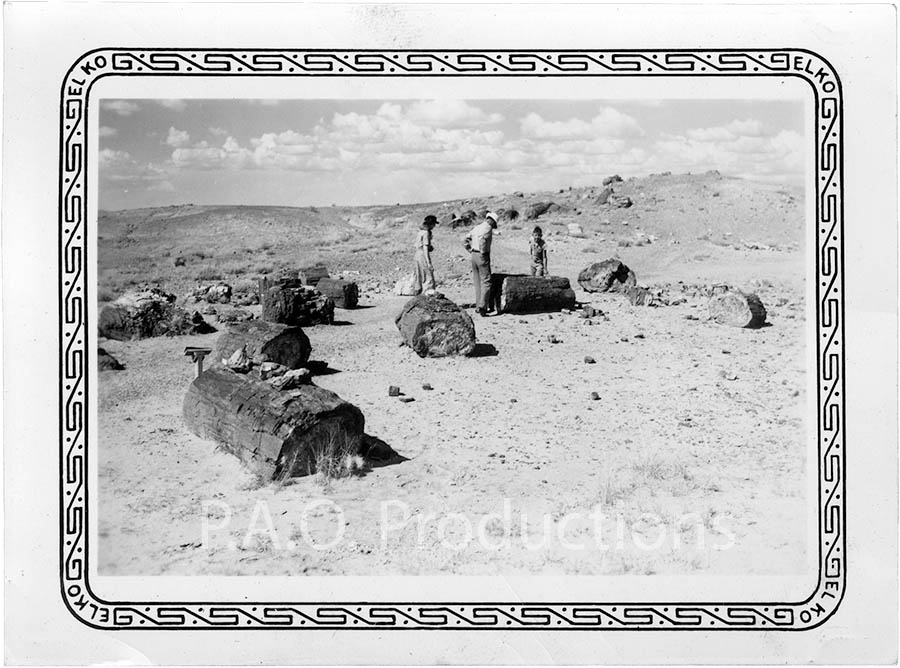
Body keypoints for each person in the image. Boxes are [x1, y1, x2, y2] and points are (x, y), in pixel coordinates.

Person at [464, 210, 498, 316]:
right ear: (492, 221)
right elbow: (483, 240)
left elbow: (465, 238)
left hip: (474, 255)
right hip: (481, 256)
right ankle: (483, 307)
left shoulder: (477, 227)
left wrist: (469, 249)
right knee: (486, 281)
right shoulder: (487, 228)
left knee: (477, 281)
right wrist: (483, 252)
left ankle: (478, 305)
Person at [413, 215, 438, 294]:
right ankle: (428, 294)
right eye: (434, 224)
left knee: (419, 276)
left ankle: (419, 293)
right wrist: (428, 262)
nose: (434, 226)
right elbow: (425, 248)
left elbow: (417, 245)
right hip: (422, 255)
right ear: (431, 224)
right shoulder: (426, 233)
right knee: (428, 277)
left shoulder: (420, 232)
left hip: (417, 255)